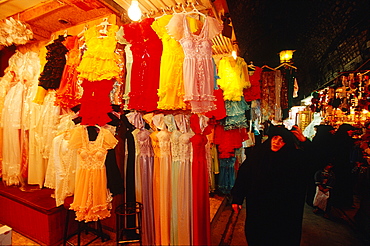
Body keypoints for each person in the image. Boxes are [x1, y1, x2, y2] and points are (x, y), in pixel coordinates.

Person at [231, 125, 310, 246]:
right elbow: (244, 176)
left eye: (282, 140)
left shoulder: (295, 159)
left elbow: (316, 161)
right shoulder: (258, 155)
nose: (277, 142)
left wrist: (304, 141)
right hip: (259, 208)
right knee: (258, 237)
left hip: (284, 212)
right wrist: (237, 198)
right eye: (275, 138)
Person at [306, 124, 336, 206]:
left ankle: (312, 200)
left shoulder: (318, 139)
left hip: (314, 165)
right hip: (321, 165)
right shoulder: (327, 140)